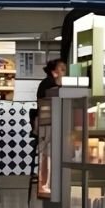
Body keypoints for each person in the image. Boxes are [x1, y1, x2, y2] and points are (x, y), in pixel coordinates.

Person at [35, 59, 68, 197]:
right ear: (55, 72)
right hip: (47, 124)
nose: (64, 72)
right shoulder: (50, 85)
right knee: (48, 153)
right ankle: (46, 183)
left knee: (48, 154)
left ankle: (47, 183)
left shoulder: (48, 83)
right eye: (62, 69)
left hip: (47, 124)